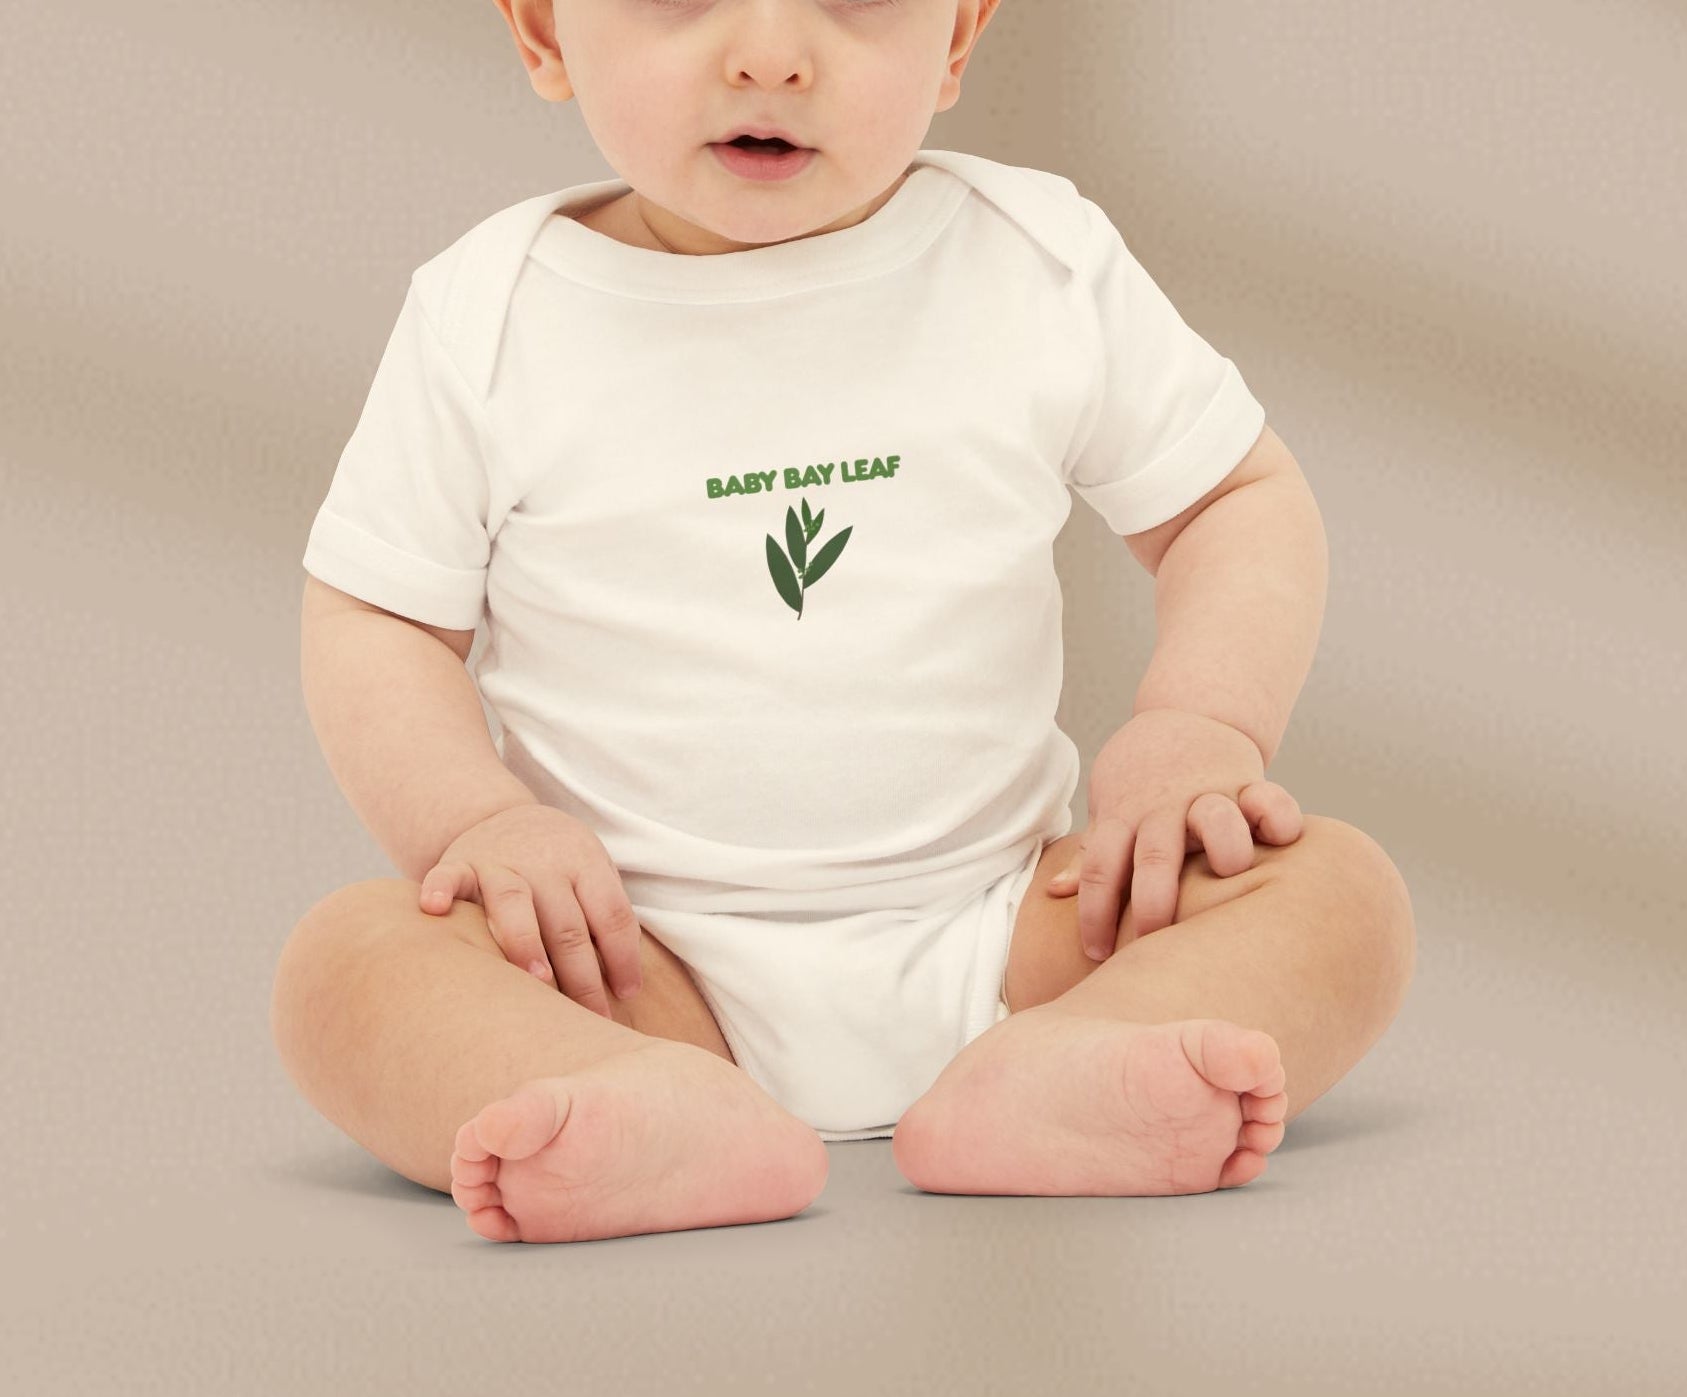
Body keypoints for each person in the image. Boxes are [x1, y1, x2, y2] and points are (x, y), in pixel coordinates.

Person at [272, 0, 1416, 1244]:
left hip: (1014, 932)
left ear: (960, 40)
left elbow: (1233, 503)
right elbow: (379, 615)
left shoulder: (1034, 259)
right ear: (544, 31)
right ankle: (637, 1096)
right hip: (625, 962)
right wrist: (477, 819)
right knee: (349, 964)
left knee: (1339, 891)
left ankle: (1072, 1064)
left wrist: (1199, 725)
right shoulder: (488, 315)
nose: (771, 52)